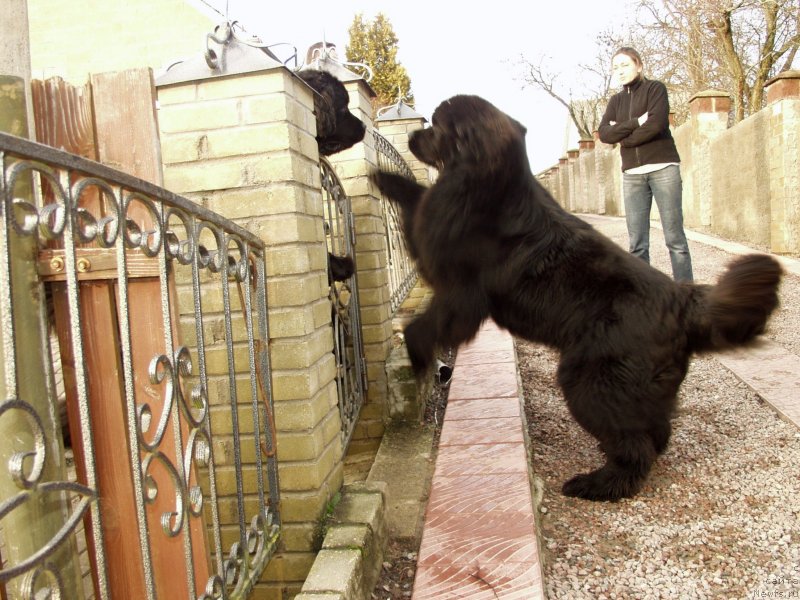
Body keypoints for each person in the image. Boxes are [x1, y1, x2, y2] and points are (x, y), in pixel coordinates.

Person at [598, 47, 694, 282]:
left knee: (675, 240)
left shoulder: (655, 89)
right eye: (616, 67)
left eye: (625, 65)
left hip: (663, 168)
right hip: (632, 175)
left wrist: (625, 138)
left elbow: (657, 124)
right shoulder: (616, 101)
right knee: (637, 244)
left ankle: (686, 296)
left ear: (639, 65)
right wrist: (635, 122)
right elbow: (604, 133)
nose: (620, 71)